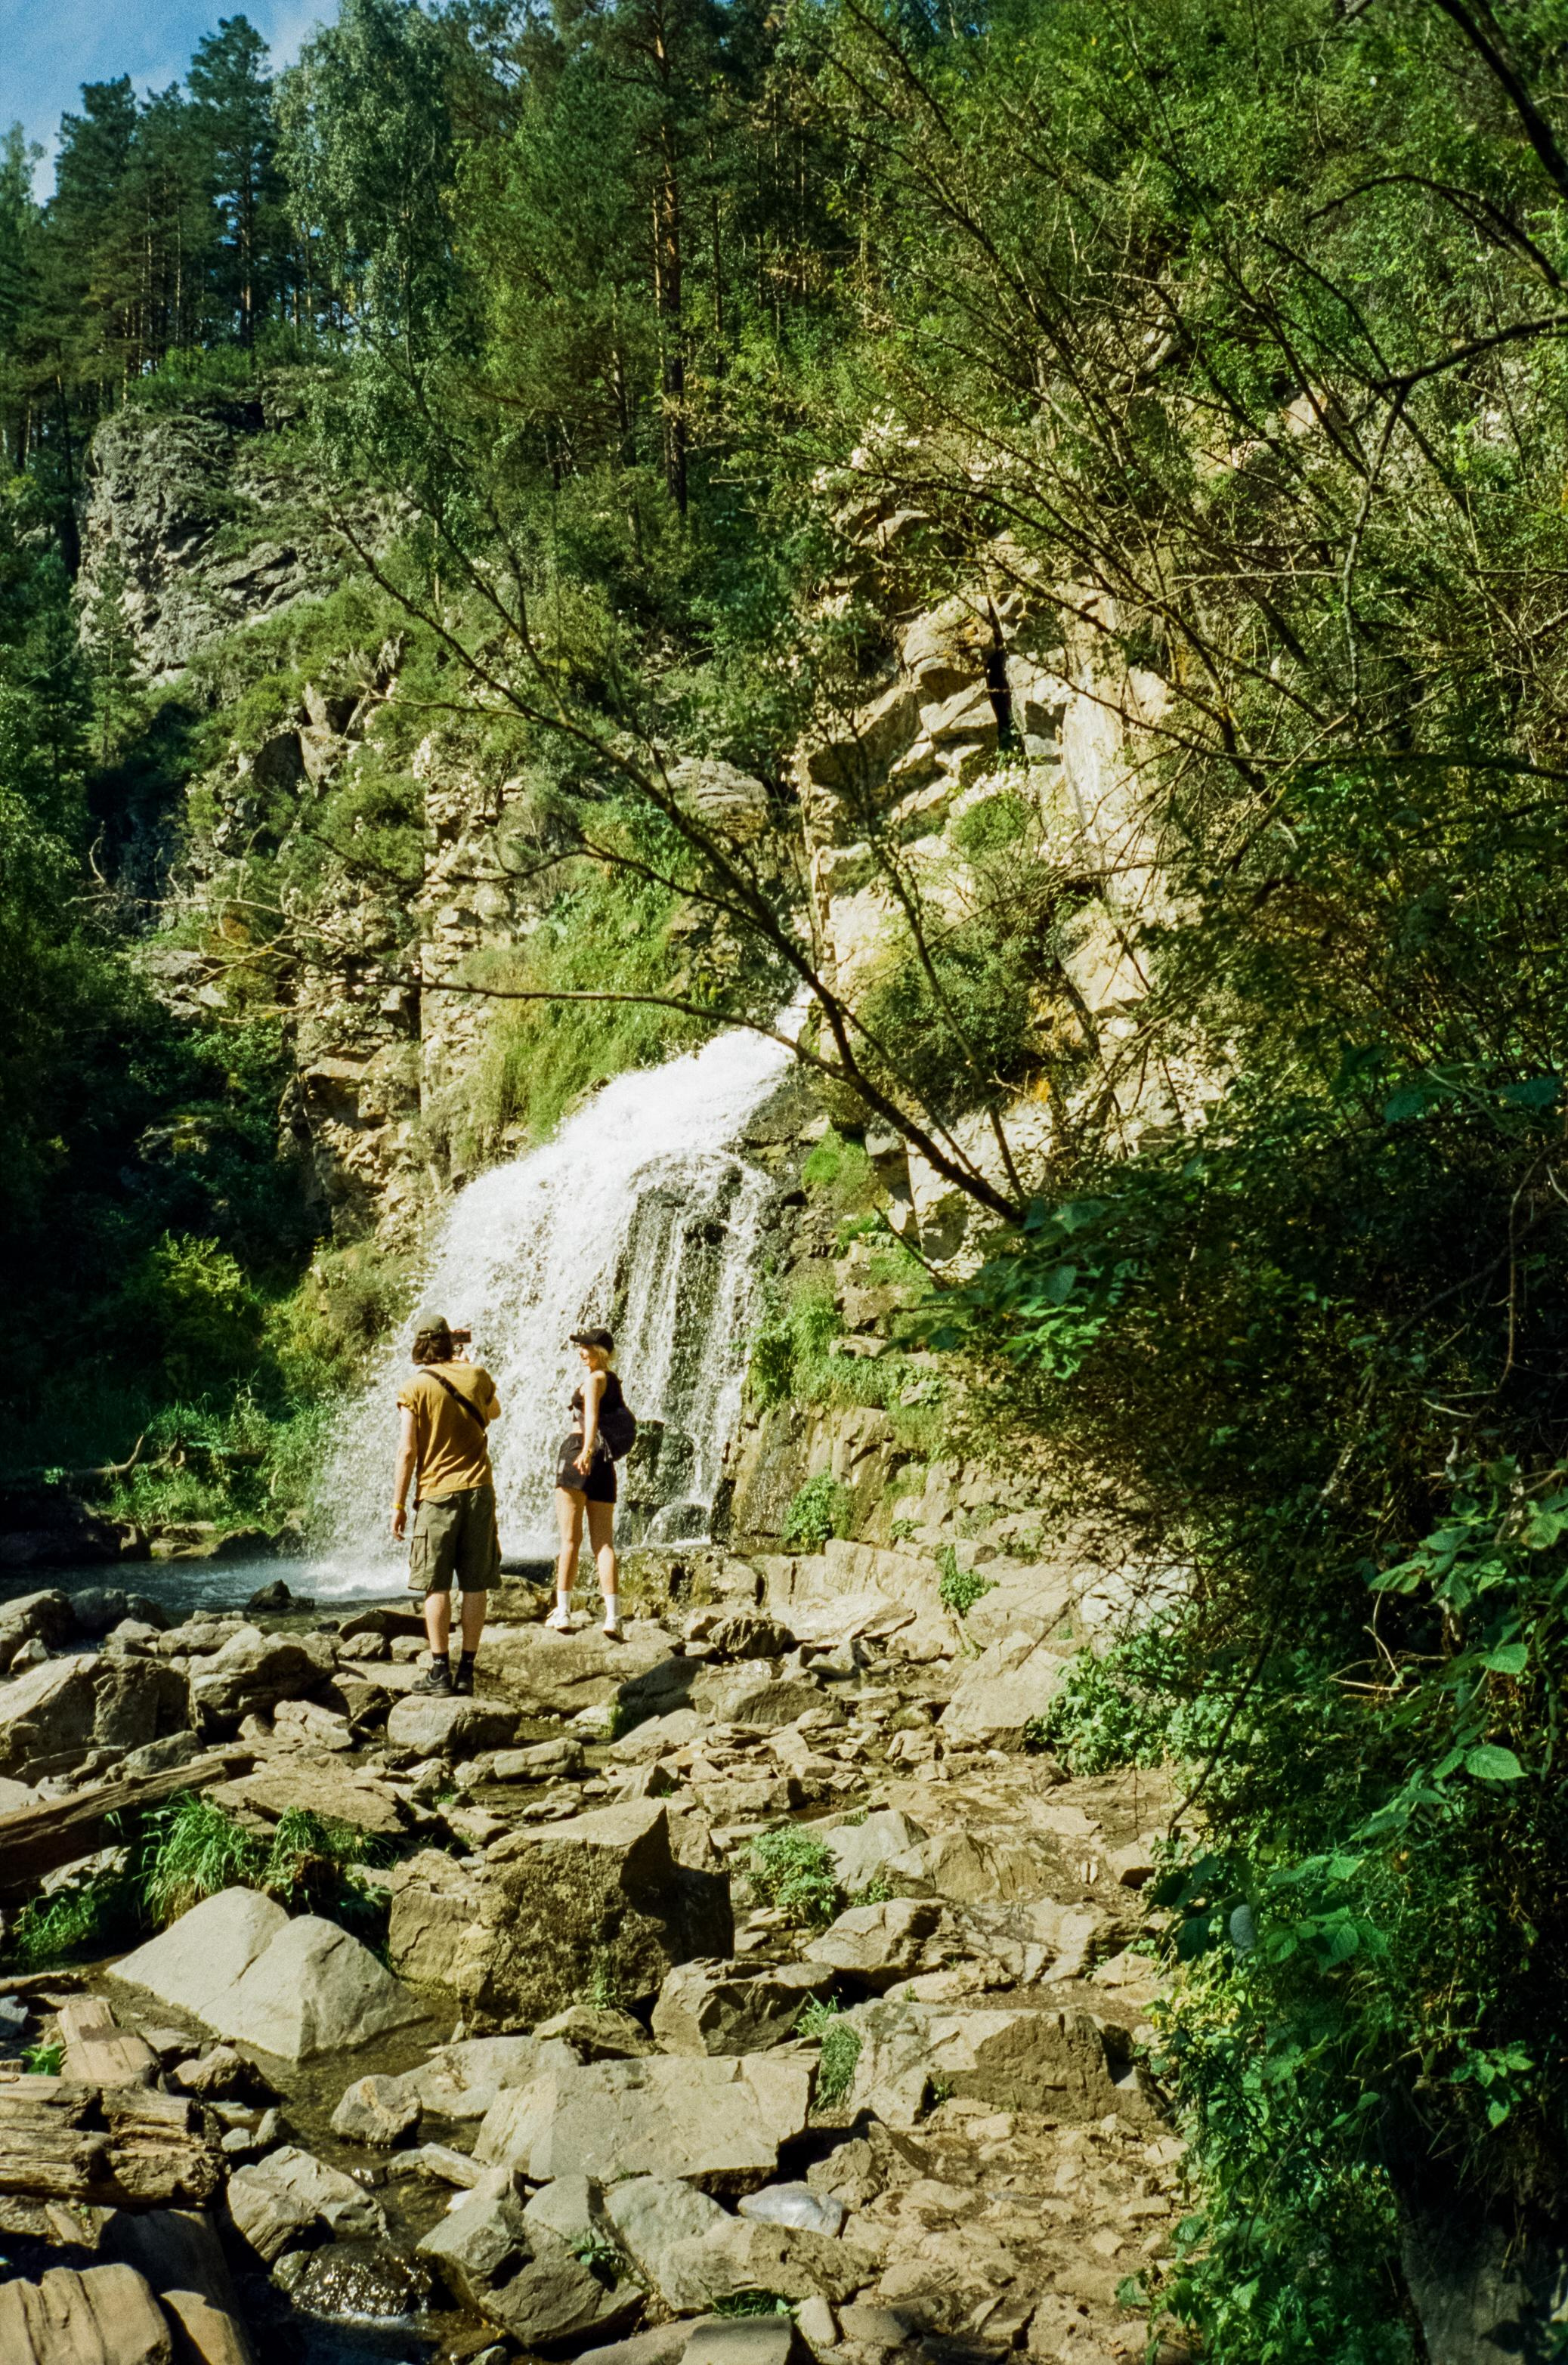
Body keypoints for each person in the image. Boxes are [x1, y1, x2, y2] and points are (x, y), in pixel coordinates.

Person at [392, 1312, 501, 1695]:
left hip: (436, 1495)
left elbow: (408, 1451)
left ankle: (440, 1671)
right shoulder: (477, 1376)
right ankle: (467, 1672)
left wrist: (398, 1505)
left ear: (420, 1344)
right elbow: (494, 1412)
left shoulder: (414, 1387)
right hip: (479, 1491)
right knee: (475, 1584)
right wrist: (467, 1369)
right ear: (449, 1342)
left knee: (436, 1584)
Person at [550, 1327, 625, 1639]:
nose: (581, 1352)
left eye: (586, 1347)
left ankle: (563, 1612)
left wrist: (585, 1450)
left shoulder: (594, 1379)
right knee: (604, 1544)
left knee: (570, 1540)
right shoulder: (614, 1381)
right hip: (604, 1464)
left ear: (600, 1352)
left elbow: (591, 1416)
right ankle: (613, 1617)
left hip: (579, 1454)